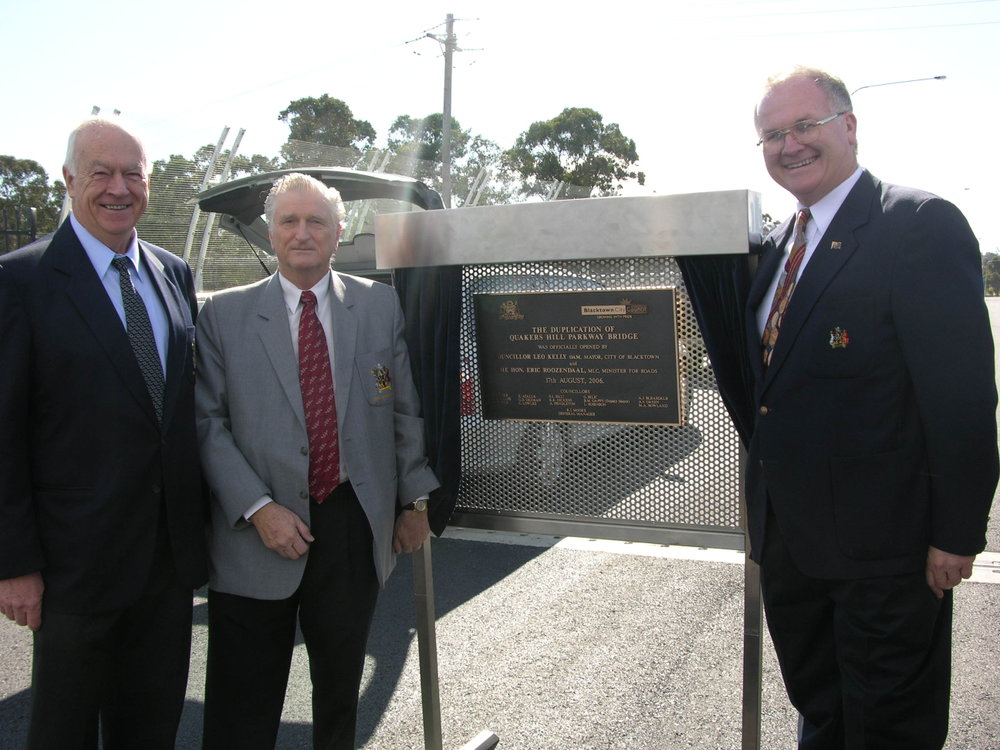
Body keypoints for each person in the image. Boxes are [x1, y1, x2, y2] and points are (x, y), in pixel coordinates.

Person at [745, 66, 998, 749]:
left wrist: (957, 531)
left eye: (806, 126)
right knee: (823, 715)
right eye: (773, 134)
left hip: (887, 553)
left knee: (888, 728)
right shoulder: (776, 248)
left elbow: (964, 398)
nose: (789, 145)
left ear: (849, 127)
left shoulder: (916, 225)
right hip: (791, 545)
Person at [196, 172, 439, 750]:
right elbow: (206, 424)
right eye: (288, 221)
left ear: (337, 234)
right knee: (241, 702)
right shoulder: (223, 317)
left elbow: (403, 409)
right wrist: (258, 509)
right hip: (255, 529)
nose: (302, 233)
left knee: (338, 693)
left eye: (316, 222)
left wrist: (415, 500)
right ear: (272, 233)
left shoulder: (378, 304)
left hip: (352, 523)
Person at [0, 118, 207, 749]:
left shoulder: (173, 274)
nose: (119, 188)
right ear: (68, 181)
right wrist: (14, 565)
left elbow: (176, 413)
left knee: (151, 726)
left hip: (166, 564)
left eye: (133, 174)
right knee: (63, 730)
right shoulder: (18, 282)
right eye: (101, 173)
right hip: (72, 568)